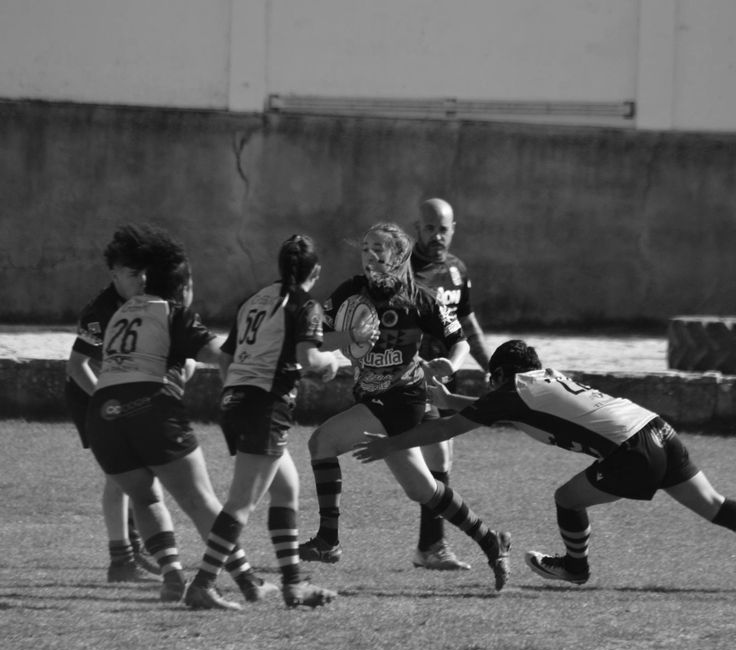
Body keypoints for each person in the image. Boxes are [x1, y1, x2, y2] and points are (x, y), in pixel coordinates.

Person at [353, 339, 736, 586]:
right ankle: (574, 566)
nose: (491, 387)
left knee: (568, 499)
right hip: (657, 429)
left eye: (493, 380)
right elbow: (507, 413)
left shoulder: (515, 390)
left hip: (631, 450)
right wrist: (451, 399)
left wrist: (392, 445)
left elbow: (447, 430)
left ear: (501, 375)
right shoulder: (541, 383)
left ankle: (575, 568)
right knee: (713, 506)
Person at [298, 221, 511, 592]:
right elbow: (316, 340)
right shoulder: (351, 292)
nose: (369, 256)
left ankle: (329, 541)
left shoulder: (420, 298)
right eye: (365, 248)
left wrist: (452, 364)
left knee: (322, 443)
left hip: (404, 398)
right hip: (375, 398)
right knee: (423, 489)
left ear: (398, 256)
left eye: (379, 248)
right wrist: (349, 337)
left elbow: (457, 340)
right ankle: (491, 540)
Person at [87, 226, 275, 604]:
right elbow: (219, 355)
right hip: (150, 410)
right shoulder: (173, 312)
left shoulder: (123, 311)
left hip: (103, 415)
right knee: (200, 501)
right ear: (183, 284)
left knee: (145, 498)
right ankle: (247, 581)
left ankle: (173, 577)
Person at [184, 234, 341, 610]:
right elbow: (309, 359)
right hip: (264, 408)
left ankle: (293, 586)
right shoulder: (306, 305)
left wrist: (238, 392)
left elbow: (225, 357)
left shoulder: (253, 300)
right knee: (241, 503)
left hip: (236, 402)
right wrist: (332, 362)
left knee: (287, 488)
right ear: (315, 271)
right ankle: (203, 584)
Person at [65, 226, 161, 583]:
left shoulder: (146, 300)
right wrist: (110, 405)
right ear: (114, 274)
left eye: (145, 272)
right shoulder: (100, 312)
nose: (143, 279)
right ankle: (122, 560)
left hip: (123, 397)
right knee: (119, 478)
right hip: (93, 396)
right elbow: (77, 366)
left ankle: (138, 553)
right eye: (134, 273)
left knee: (143, 472)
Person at [409, 198, 492, 571]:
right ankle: (432, 548)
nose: (437, 235)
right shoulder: (404, 270)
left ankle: (429, 547)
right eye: (430, 228)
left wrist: (493, 366)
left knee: (439, 462)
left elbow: (468, 325)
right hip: (410, 377)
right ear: (417, 228)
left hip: (445, 380)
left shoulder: (458, 270)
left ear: (453, 228)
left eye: (443, 229)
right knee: (438, 459)